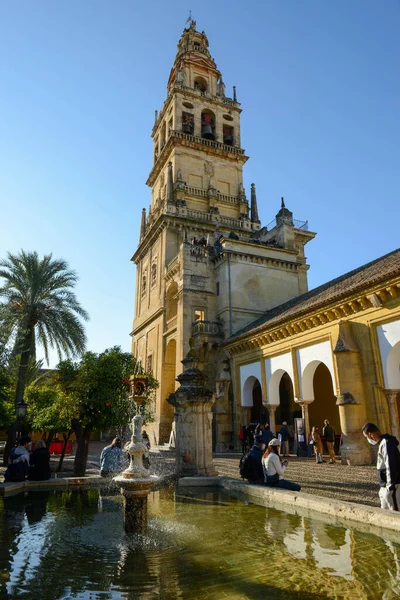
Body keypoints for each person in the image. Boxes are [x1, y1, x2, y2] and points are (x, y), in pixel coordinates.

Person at [362, 422, 400, 511]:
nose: (368, 439)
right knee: (385, 512)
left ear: (370, 434)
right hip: (384, 486)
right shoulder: (383, 443)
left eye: (366, 437)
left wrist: (390, 486)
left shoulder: (386, 443)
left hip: (392, 486)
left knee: (395, 513)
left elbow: (390, 464)